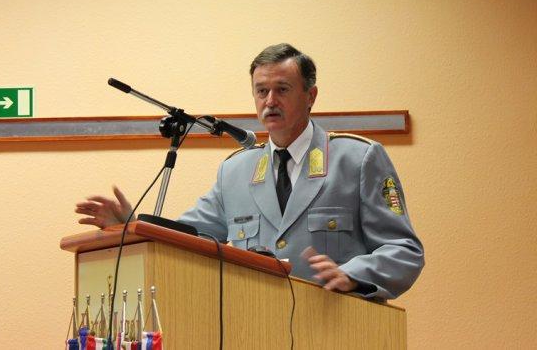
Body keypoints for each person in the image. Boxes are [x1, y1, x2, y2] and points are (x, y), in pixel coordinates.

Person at [76, 43, 424, 299]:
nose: (270, 101)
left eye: (282, 89)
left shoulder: (357, 159)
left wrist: (351, 276)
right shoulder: (235, 172)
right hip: (255, 326)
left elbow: (404, 250)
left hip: (339, 326)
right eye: (261, 91)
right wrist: (131, 224)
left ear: (311, 96)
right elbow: (188, 238)